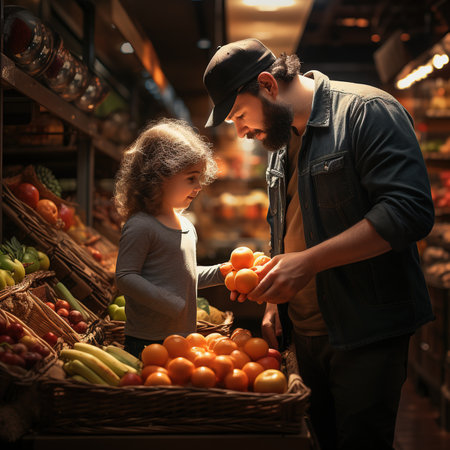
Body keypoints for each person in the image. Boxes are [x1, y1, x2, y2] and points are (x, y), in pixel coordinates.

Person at [203, 38, 435, 450]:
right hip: (302, 331)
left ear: (268, 85)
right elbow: (285, 226)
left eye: (239, 114)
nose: (240, 131)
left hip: (365, 332)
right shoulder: (280, 145)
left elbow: (408, 212)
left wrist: (308, 263)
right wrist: (276, 302)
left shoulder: (367, 111)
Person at [114, 118, 224, 358]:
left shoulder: (186, 225)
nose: (198, 186)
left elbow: (185, 275)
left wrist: (222, 273)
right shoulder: (142, 225)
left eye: (199, 178)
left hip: (184, 338)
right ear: (159, 175)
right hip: (146, 341)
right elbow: (125, 276)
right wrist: (168, 302)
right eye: (191, 178)